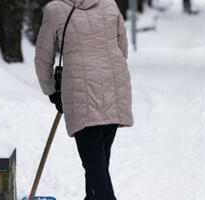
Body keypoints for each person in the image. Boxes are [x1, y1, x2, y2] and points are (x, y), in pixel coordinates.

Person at [34, 0, 134, 199]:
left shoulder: (54, 9)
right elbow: (122, 47)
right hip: (115, 86)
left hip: (80, 92)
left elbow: (43, 58)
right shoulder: (109, 4)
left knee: (96, 166)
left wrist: (52, 91)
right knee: (98, 164)